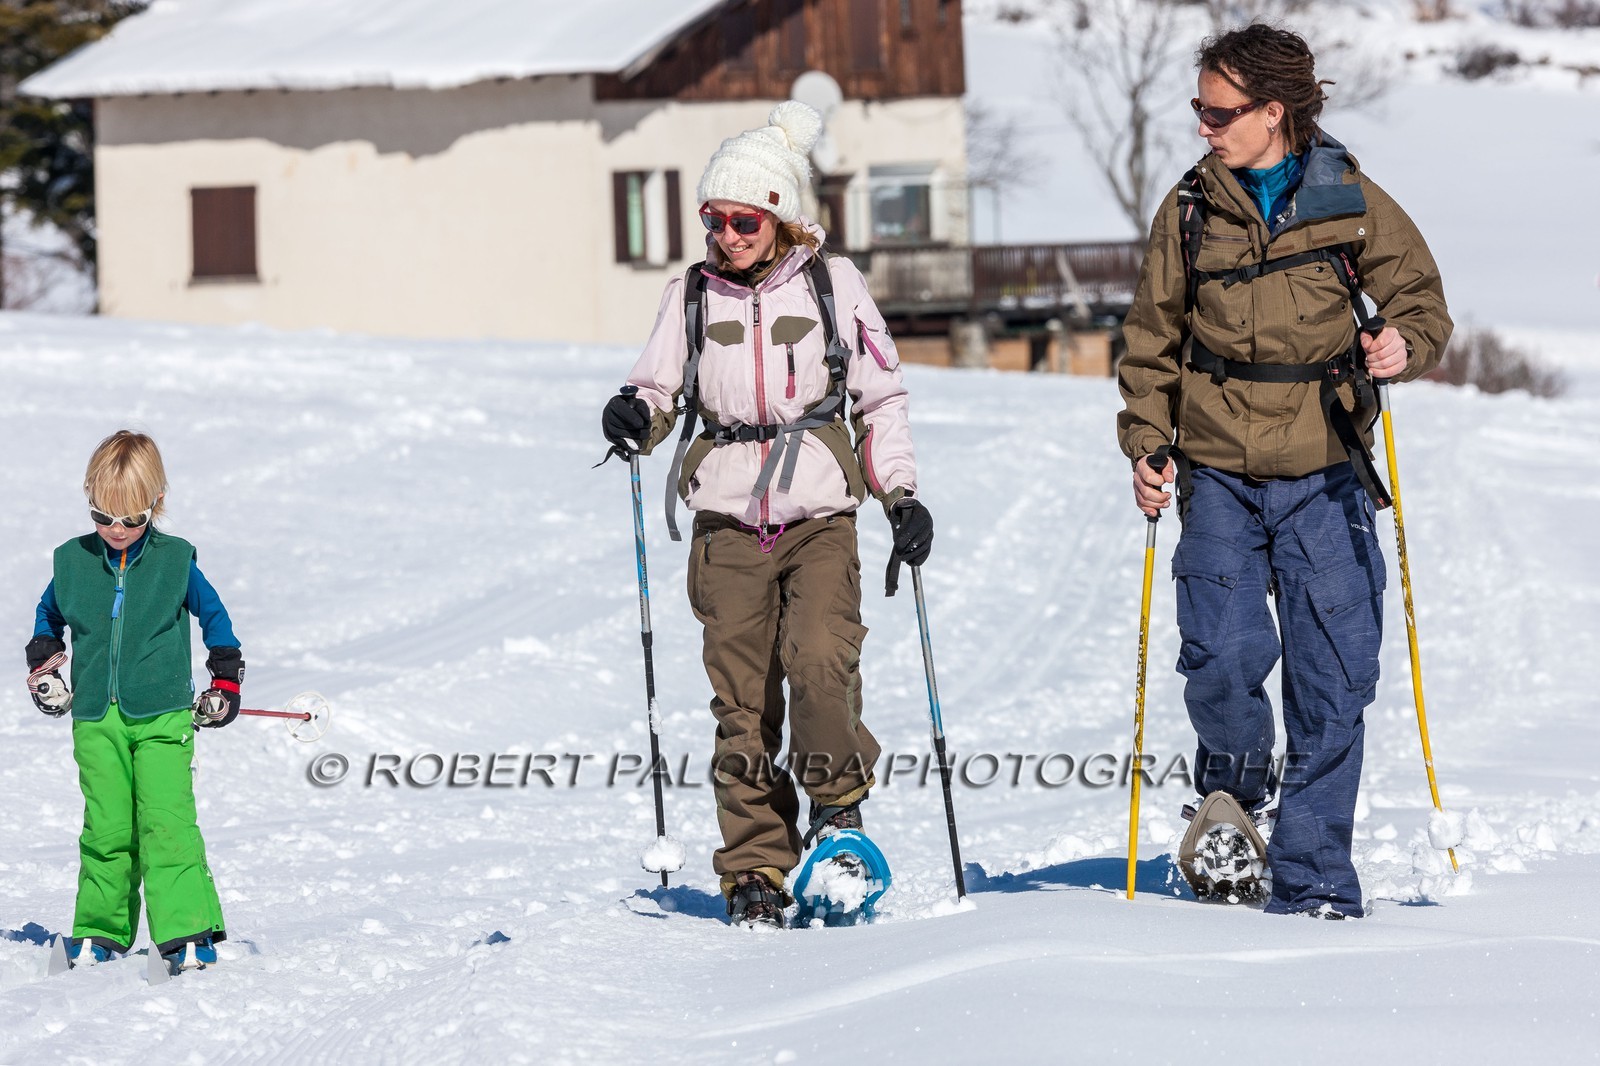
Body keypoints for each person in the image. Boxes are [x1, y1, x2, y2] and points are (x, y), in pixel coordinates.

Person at [1116, 24, 1451, 918]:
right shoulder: (1188, 210)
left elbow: (1422, 301)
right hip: (1218, 471)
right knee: (1220, 658)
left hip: (1323, 471)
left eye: (1219, 112)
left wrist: (1401, 344)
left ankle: (1311, 884)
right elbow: (1150, 342)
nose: (1204, 128)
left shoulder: (1351, 200)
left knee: (1333, 676)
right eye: (1199, 109)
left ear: (1275, 111)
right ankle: (1234, 793)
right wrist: (1147, 443)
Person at [600, 102, 931, 928]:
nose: (726, 233)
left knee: (821, 664)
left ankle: (837, 812)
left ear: (778, 215)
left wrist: (901, 495)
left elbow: (879, 397)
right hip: (724, 526)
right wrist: (635, 415)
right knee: (742, 703)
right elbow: (657, 385)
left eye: (743, 218)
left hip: (820, 515)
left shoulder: (833, 284)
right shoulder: (690, 294)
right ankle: (754, 863)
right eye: (713, 217)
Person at [25, 430, 244, 968]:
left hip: (163, 715)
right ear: (89, 501)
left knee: (166, 821)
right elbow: (47, 619)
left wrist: (225, 679)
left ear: (156, 506)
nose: (116, 530)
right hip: (96, 718)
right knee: (107, 826)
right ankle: (101, 931)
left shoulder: (175, 562)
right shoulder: (72, 561)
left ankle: (188, 931)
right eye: (103, 516)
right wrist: (44, 661)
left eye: (132, 519)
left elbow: (215, 620)